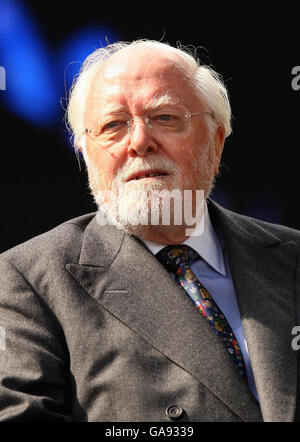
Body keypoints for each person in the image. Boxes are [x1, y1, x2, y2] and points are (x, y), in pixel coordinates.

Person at [0, 39, 299, 422]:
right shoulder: (27, 282)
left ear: (216, 140)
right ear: (85, 155)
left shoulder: (292, 260)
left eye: (165, 118)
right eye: (113, 125)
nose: (140, 141)